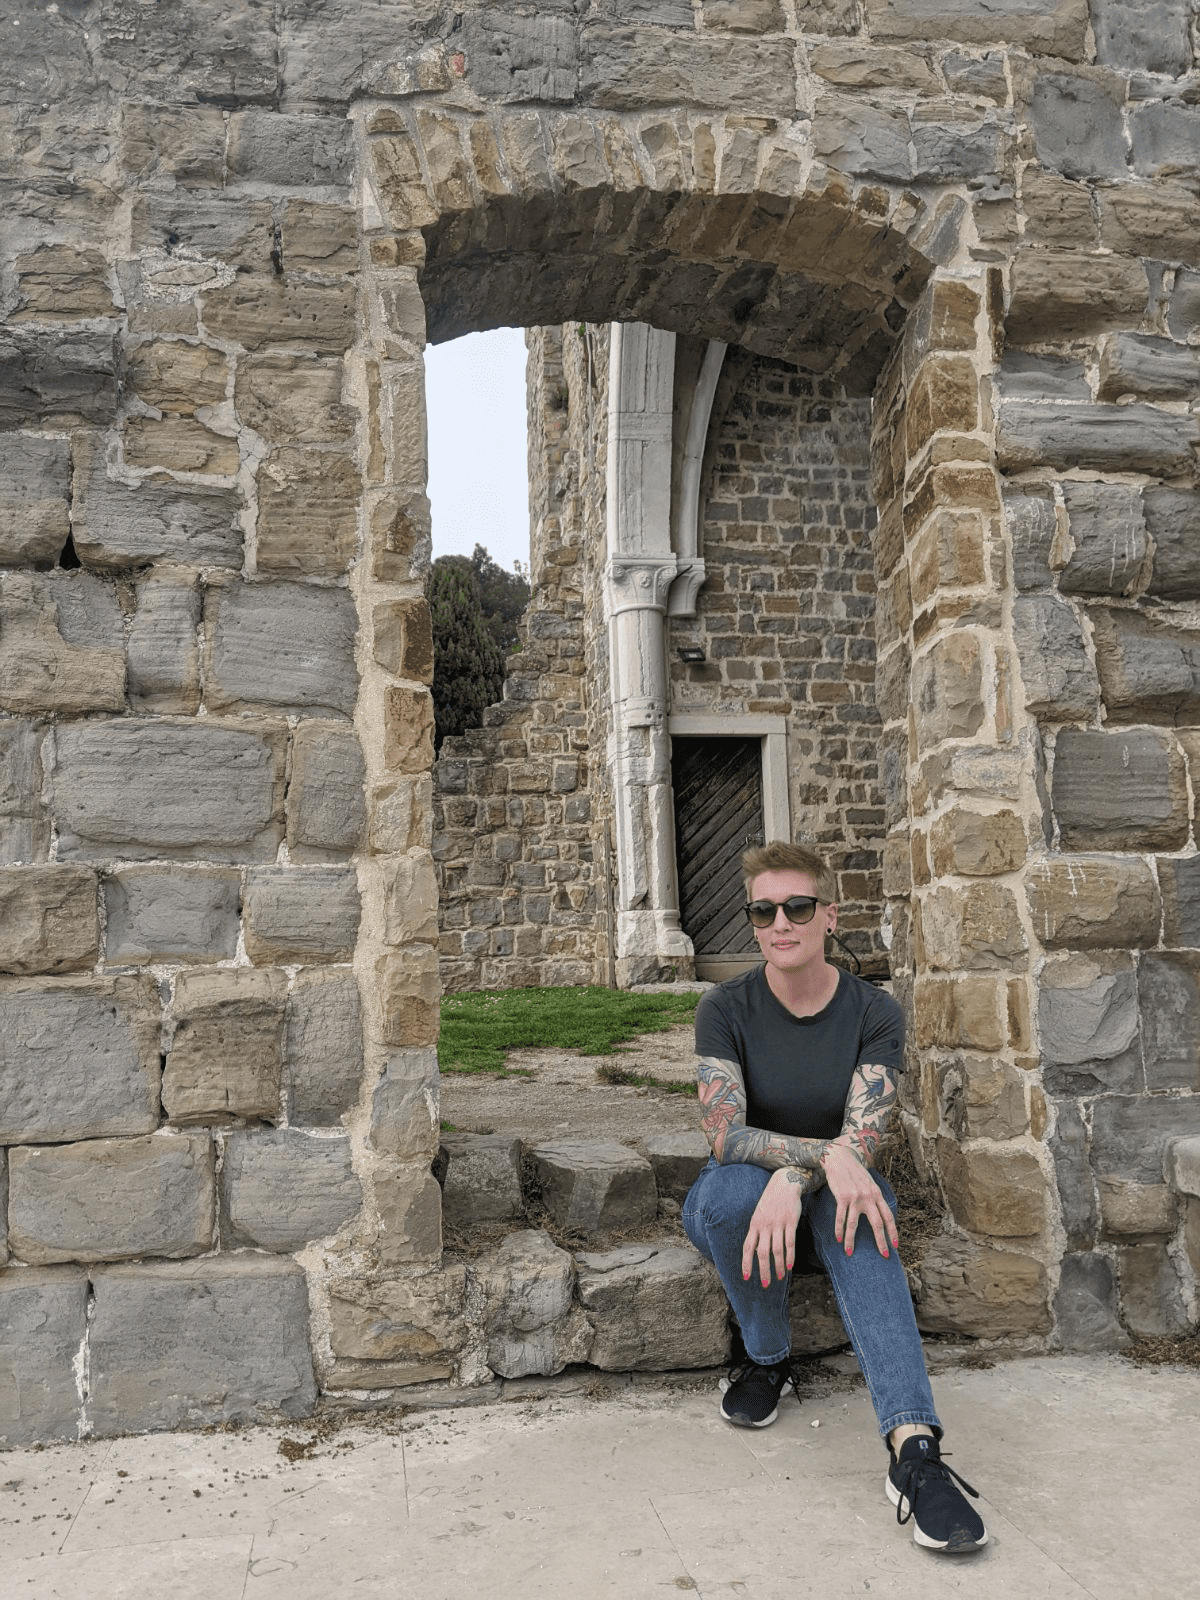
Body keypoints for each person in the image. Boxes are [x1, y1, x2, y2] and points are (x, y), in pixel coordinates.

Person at [682, 840, 988, 1554]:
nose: (779, 923)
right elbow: (724, 1135)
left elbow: (867, 1133)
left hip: (833, 1193)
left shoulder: (873, 1012)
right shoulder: (724, 1007)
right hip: (742, 1190)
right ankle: (766, 1357)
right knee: (730, 1199)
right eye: (764, 909)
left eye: (797, 907)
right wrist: (808, 1163)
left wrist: (807, 1177)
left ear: (829, 915)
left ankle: (914, 1451)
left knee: (863, 1220)